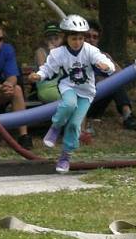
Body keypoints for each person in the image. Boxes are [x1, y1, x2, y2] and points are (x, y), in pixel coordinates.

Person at [28, 14, 114, 173]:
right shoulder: (58, 53)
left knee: (75, 124)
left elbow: (106, 62)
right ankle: (55, 128)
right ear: (66, 37)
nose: (78, 42)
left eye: (81, 38)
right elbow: (48, 68)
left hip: (87, 92)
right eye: (74, 38)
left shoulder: (90, 50)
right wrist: (38, 75)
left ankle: (65, 156)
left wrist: (106, 66)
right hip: (68, 87)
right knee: (68, 104)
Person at [0, 25, 33, 149]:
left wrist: (8, 85)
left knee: (16, 90)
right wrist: (0, 87)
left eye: (0, 39)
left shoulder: (7, 49)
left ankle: (23, 136)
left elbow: (13, 76)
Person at [85, 20, 136, 131]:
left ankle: (128, 115)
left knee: (116, 81)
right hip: (80, 101)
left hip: (98, 100)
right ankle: (127, 115)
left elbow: (121, 76)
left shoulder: (103, 56)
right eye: (87, 36)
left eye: (94, 37)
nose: (91, 40)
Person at [30, 21, 63, 103]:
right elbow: (45, 71)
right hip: (47, 87)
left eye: (56, 38)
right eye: (49, 39)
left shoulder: (64, 51)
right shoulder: (40, 52)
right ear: (45, 40)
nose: (53, 41)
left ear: (62, 39)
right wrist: (53, 53)